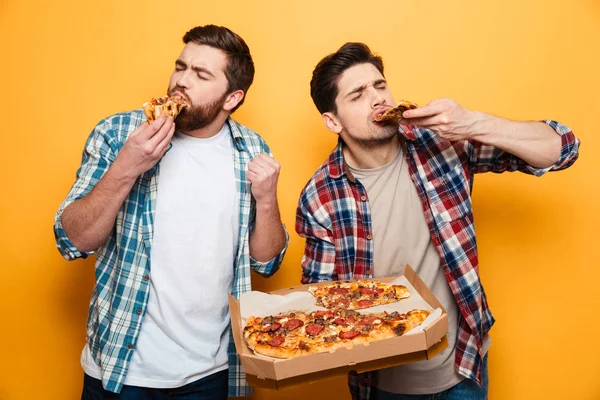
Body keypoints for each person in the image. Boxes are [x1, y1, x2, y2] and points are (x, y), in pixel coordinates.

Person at [295, 42, 580, 400]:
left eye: (380, 85)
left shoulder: (442, 144)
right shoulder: (320, 195)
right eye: (358, 94)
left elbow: (563, 147)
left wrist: (472, 123)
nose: (378, 99)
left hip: (463, 366)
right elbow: (318, 302)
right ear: (332, 120)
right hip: (383, 385)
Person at [54, 25, 288, 399]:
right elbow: (72, 241)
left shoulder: (252, 148)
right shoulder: (118, 134)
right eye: (181, 66)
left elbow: (267, 263)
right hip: (121, 368)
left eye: (201, 74)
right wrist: (127, 166)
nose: (181, 81)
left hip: (214, 372)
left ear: (232, 97)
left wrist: (267, 200)